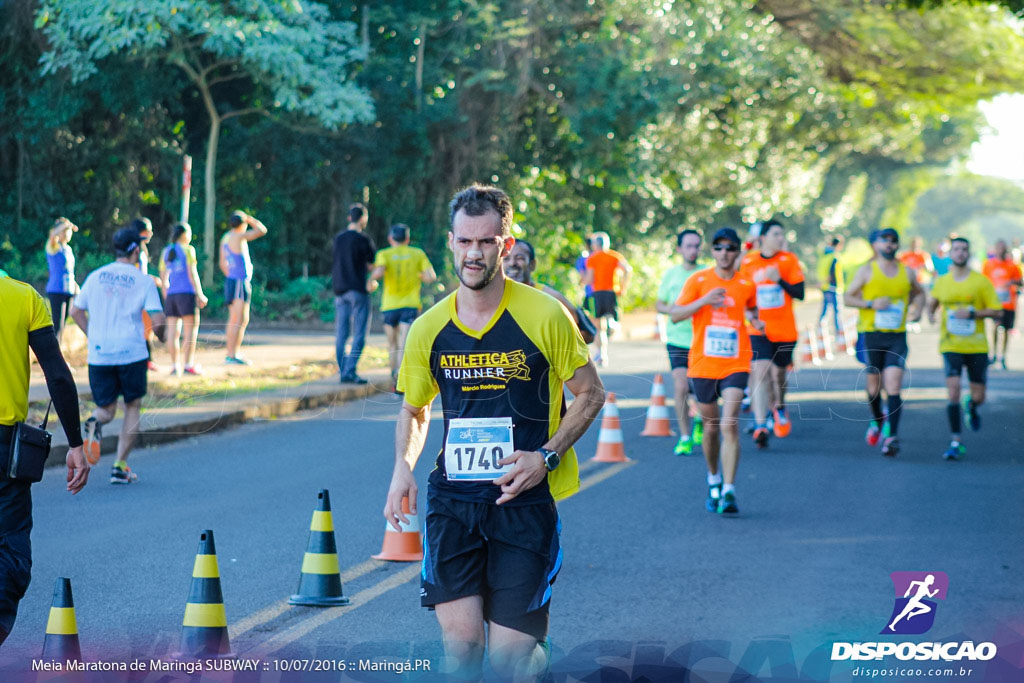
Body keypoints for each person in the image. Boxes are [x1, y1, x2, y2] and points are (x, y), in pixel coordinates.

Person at [383, 185, 604, 680]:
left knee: (509, 662)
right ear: (451, 243)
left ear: (506, 245)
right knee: (461, 651)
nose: (474, 254)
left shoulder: (546, 315)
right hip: (453, 504)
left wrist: (544, 456)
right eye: (464, 242)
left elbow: (591, 394)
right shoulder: (428, 329)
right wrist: (402, 468)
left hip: (522, 503)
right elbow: (415, 409)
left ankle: (536, 660)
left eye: (486, 242)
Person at [0, 276, 89, 646]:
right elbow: (57, 374)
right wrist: (76, 444)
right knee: (10, 555)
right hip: (4, 453)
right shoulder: (23, 297)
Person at [670, 227, 764, 515]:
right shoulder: (698, 280)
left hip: (736, 362)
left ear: (737, 252)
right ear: (713, 251)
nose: (724, 253)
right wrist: (704, 300)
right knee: (711, 427)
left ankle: (729, 490)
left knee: (728, 424)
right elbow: (675, 315)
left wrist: (754, 321)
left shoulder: (746, 284)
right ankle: (713, 479)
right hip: (702, 364)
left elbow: (752, 309)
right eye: (719, 248)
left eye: (730, 248)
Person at [71, 228, 166, 481]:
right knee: (132, 405)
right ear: (136, 250)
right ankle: (120, 466)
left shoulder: (95, 276)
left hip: (100, 354)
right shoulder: (143, 280)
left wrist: (94, 335)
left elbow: (75, 311)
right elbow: (157, 321)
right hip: (131, 352)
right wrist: (164, 337)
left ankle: (94, 421)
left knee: (106, 409)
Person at [844, 228, 926, 457]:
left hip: (897, 336)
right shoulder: (867, 271)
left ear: (898, 245)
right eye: (885, 241)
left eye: (893, 241)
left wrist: (917, 310)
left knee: (894, 385)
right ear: (877, 245)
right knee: (873, 388)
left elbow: (919, 293)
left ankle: (892, 437)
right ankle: (878, 420)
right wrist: (870, 304)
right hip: (872, 335)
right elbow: (848, 297)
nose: (889, 245)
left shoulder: (906, 272)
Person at [926, 237, 1001, 461]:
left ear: (969, 254)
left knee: (979, 396)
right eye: (956, 249)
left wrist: (973, 314)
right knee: (954, 389)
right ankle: (956, 440)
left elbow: (996, 311)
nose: (960, 253)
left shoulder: (981, 282)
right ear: (950, 253)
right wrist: (930, 314)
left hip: (977, 346)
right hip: (951, 345)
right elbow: (933, 302)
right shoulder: (943, 281)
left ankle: (972, 405)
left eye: (964, 249)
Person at [739, 219, 805, 448]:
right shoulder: (749, 261)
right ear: (763, 237)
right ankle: (760, 425)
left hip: (785, 330)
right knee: (760, 372)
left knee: (778, 376)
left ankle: (779, 406)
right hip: (758, 328)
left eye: (782, 234)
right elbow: (743, 295)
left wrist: (781, 281)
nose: (780, 238)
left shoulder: (789, 260)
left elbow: (800, 293)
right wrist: (750, 316)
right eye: (776, 234)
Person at [654, 229, 704, 455]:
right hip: (677, 339)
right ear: (679, 249)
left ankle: (700, 421)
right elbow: (660, 304)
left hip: (702, 340)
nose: (693, 250)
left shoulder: (706, 273)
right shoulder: (671, 275)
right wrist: (673, 310)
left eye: (696, 245)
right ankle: (685, 437)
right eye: (689, 246)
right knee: (681, 386)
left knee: (702, 391)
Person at [370, 223, 436, 387]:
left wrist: (371, 280)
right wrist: (419, 275)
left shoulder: (384, 253)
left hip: (389, 306)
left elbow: (378, 273)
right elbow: (431, 277)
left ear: (390, 238)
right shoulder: (417, 253)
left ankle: (393, 378)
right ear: (407, 238)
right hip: (410, 305)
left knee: (392, 344)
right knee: (404, 343)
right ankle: (401, 378)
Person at [502, 238, 597, 344]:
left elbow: (585, 335)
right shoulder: (493, 297)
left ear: (532, 264)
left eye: (520, 258)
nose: (512, 263)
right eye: (506, 259)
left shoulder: (551, 297)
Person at [332, 203, 377, 384]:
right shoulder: (363, 240)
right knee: (359, 333)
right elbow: (371, 265)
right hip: (358, 290)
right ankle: (349, 371)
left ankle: (344, 371)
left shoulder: (338, 238)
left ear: (349, 218)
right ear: (363, 219)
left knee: (341, 334)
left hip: (339, 290)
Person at [219, 210, 268, 365]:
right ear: (242, 224)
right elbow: (262, 230)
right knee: (239, 319)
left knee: (235, 318)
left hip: (232, 280)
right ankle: (232, 355)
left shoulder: (225, 238)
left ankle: (231, 353)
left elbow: (222, 264)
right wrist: (251, 219)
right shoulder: (238, 236)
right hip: (239, 281)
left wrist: (231, 276)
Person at [160, 222, 208, 376]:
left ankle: (175, 366)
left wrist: (166, 295)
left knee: (173, 333)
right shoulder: (188, 250)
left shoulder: (166, 251)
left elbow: (163, 277)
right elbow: (192, 273)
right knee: (190, 331)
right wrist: (200, 294)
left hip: (171, 296)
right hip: (186, 294)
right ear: (184, 235)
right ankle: (188, 365)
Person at [584, 232, 631, 367]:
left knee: (598, 327)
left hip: (597, 293)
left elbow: (590, 279)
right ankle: (612, 324)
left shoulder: (592, 259)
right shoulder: (615, 256)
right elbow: (627, 269)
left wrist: (583, 280)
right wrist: (623, 286)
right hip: (611, 293)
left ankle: (601, 353)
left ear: (595, 245)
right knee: (611, 319)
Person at [982, 239, 1023, 370]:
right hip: (995, 302)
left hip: (1009, 303)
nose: (1001, 250)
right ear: (995, 249)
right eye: (998, 247)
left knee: (1006, 330)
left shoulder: (1013, 265)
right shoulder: (989, 265)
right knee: (995, 326)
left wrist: (1011, 282)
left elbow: (1020, 282)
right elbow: (983, 282)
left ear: (1006, 249)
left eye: (1003, 248)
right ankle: (993, 354)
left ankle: (1003, 356)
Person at [45, 217, 79, 344]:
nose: (67, 233)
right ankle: (54, 355)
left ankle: (58, 352)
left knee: (63, 325)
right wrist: (64, 225)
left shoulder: (68, 249)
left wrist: (75, 287)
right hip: (56, 290)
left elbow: (69, 271)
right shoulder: (53, 246)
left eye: (68, 230)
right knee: (57, 326)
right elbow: (53, 235)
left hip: (68, 291)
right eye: (64, 230)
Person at [817, 236, 844, 334]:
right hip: (832, 286)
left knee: (825, 309)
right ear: (838, 245)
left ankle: (820, 328)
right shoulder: (834, 256)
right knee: (836, 310)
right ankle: (838, 331)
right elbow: (833, 272)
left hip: (824, 286)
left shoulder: (824, 255)